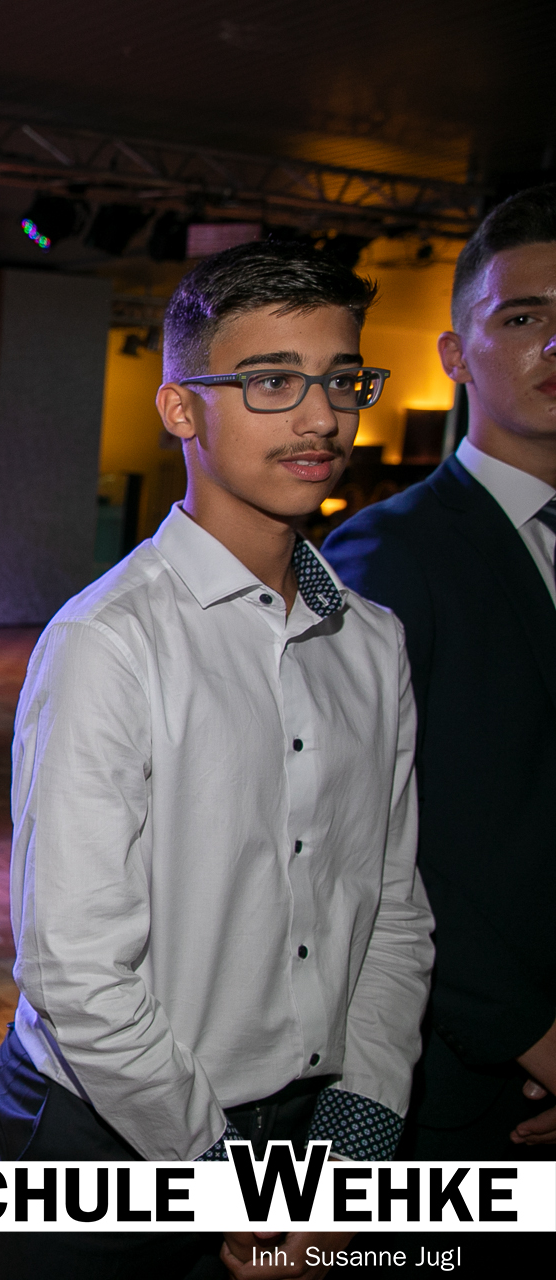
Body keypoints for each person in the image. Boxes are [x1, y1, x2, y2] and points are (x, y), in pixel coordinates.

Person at [0, 241, 434, 1280]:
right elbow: (77, 971)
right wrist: (226, 1181)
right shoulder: (109, 641)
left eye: (341, 380)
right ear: (182, 409)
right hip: (112, 1132)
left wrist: (349, 1152)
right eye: (272, 381)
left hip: (309, 1129)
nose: (320, 418)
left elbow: (392, 912)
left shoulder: (374, 642)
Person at [323, 184, 556, 1271]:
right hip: (462, 1086)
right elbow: (373, 850)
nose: (555, 342)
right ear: (457, 353)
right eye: (523, 315)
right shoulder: (385, 557)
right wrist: (533, 1038)